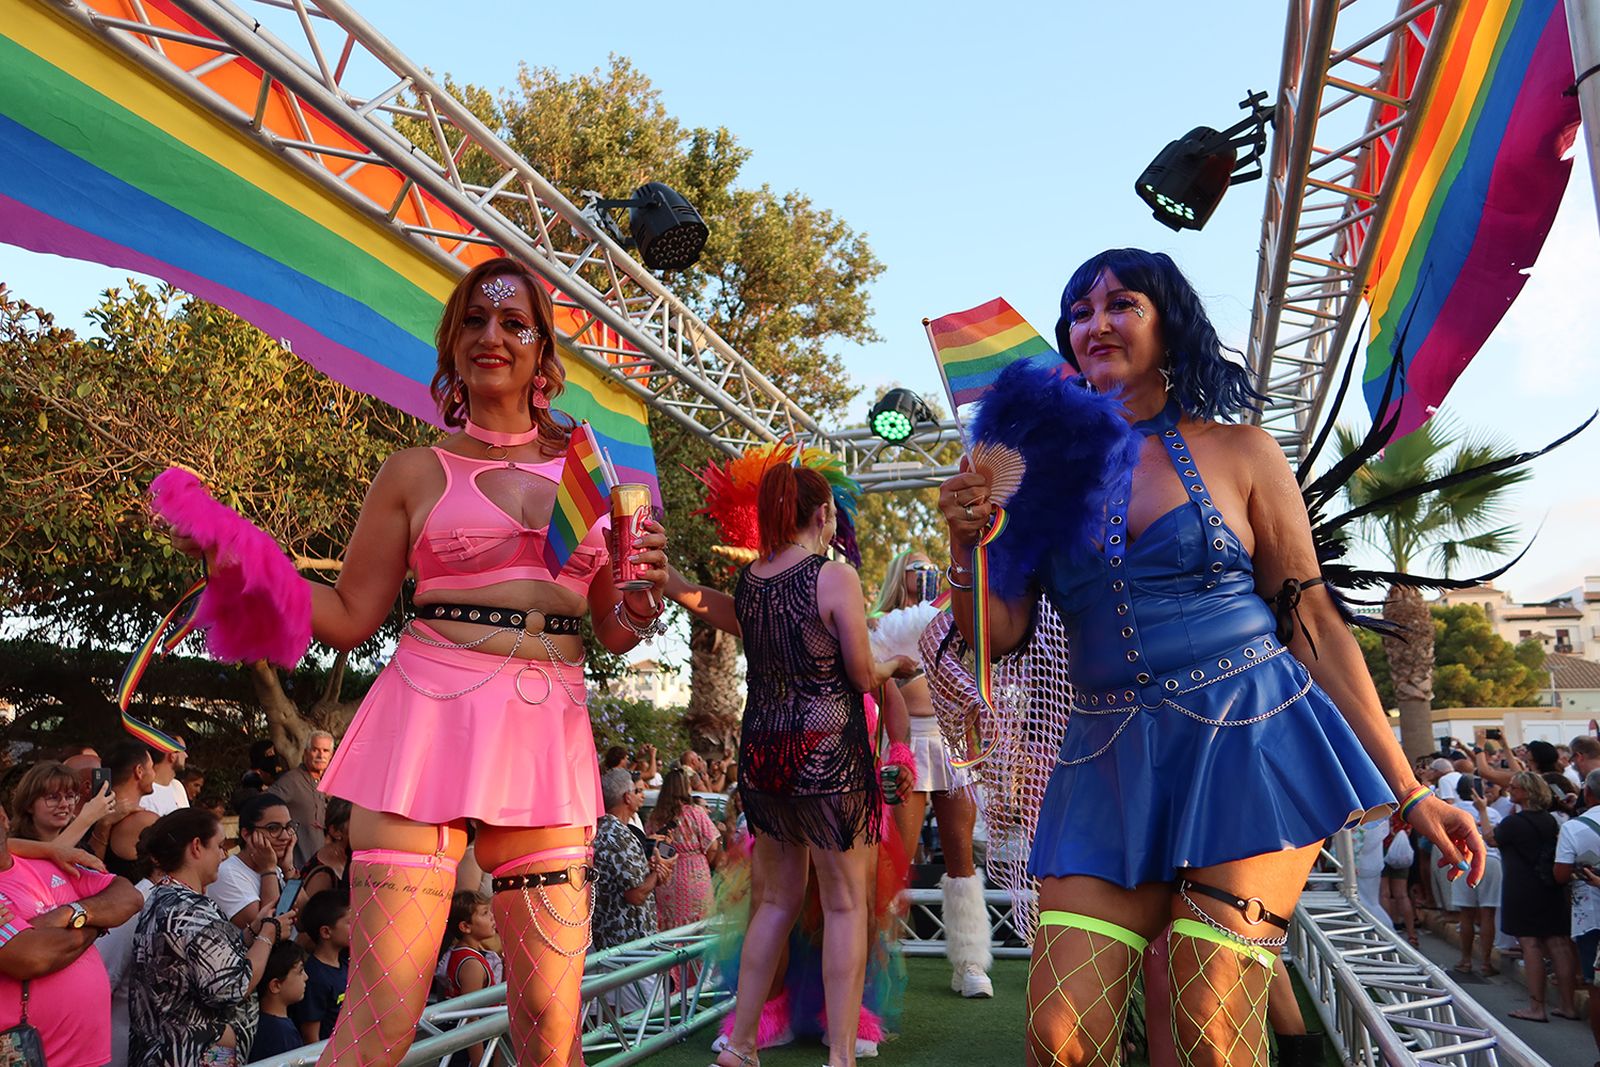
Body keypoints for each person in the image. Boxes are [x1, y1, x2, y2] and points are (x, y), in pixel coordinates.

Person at [937, 248, 1481, 1066]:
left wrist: (1409, 791)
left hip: (1250, 739)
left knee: (1208, 1018)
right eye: (1079, 312)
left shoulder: (1242, 450)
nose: (1096, 323)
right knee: (1057, 1035)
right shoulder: (1035, 480)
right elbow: (1000, 634)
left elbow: (1316, 623)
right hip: (1106, 759)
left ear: (1169, 322)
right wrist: (963, 543)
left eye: (1121, 303)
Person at [169, 258, 672, 1067]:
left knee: (550, 1023)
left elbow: (614, 626)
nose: (492, 336)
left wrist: (642, 599)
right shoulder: (412, 470)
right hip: (425, 724)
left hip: (545, 735)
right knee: (383, 1018)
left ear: (543, 350)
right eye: (475, 320)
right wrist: (242, 557)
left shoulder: (592, 470)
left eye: (514, 323)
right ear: (452, 342)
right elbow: (347, 614)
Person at [666, 460, 916, 1067]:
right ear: (824, 513)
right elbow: (860, 673)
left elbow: (722, 609)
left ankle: (742, 1043)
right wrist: (896, 667)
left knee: (775, 903)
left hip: (765, 758)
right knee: (845, 905)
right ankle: (840, 1058)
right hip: (830, 757)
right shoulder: (836, 577)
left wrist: (674, 581)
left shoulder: (753, 580)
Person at [873, 547, 994, 999]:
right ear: (898, 575)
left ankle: (969, 962)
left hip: (952, 741)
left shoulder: (955, 617)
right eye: (914, 568)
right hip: (904, 745)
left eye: (929, 569)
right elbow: (873, 682)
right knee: (895, 859)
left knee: (961, 855)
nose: (922, 576)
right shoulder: (878, 622)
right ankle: (877, 962)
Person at [130, 807, 289, 1067]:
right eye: (218, 846)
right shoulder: (190, 910)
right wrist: (268, 933)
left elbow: (202, 963)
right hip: (190, 1056)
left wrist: (251, 932)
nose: (223, 855)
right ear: (196, 847)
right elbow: (233, 986)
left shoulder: (164, 897)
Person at [0, 797, 142, 1067]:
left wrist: (69, 914)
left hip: (92, 1055)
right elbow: (32, 957)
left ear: (5, 818)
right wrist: (97, 923)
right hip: (30, 1056)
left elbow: (128, 896)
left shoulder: (49, 861)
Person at [1479, 771, 1578, 1021]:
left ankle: (1536, 1006)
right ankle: (1568, 1004)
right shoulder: (1550, 820)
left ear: (1525, 792)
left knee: (1530, 944)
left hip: (1522, 887)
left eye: (1514, 786)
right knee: (1558, 943)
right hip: (1550, 885)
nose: (1509, 789)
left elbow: (1490, 839)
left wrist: (1482, 811)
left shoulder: (1513, 824)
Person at [592, 768, 674, 950]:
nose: (642, 796)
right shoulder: (619, 835)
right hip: (629, 946)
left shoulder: (601, 830)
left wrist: (649, 868)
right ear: (627, 797)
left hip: (609, 940)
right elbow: (635, 894)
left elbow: (621, 878)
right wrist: (657, 871)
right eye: (637, 791)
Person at [647, 768, 721, 932]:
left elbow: (650, 845)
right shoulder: (696, 813)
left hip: (666, 876)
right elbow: (713, 846)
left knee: (671, 928)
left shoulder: (655, 817)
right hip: (695, 875)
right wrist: (701, 860)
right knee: (697, 928)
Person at [207, 793, 297, 929]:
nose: (285, 836)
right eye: (273, 828)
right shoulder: (227, 874)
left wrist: (288, 869)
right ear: (247, 834)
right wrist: (268, 871)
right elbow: (269, 930)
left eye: (288, 827)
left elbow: (307, 920)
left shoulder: (277, 866)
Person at [1556, 768, 1600, 984]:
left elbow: (1561, 874)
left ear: (1588, 793)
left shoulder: (1572, 828)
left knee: (1594, 983)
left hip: (1590, 911)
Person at [9, 759, 116, 847]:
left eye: (70, 796)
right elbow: (47, 863)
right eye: (53, 797)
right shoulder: (13, 849)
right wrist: (87, 817)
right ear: (29, 805)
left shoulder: (80, 846)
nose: (64, 804)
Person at [93, 740, 160, 880]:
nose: (154, 774)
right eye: (152, 768)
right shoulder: (146, 822)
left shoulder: (89, 814)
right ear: (139, 771)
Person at [290, 890, 351, 1045]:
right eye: (349, 923)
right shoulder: (314, 976)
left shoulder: (345, 964)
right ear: (326, 932)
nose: (357, 926)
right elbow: (311, 1036)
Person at [273, 731, 333, 870]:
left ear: (331, 755)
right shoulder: (292, 780)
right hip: (297, 868)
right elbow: (264, 805)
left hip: (322, 868)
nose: (320, 755)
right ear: (306, 753)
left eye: (325, 751)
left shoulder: (330, 782)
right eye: (315, 750)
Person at [250, 942, 310, 1062]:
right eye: (300, 971)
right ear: (276, 985)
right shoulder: (280, 1034)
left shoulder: (264, 1024)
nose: (306, 977)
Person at [294, 795, 352, 908]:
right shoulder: (322, 876)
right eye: (357, 823)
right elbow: (312, 918)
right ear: (335, 831)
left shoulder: (349, 859)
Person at [139, 737, 191, 816]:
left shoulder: (177, 786)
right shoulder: (144, 793)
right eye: (183, 750)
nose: (186, 755)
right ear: (172, 755)